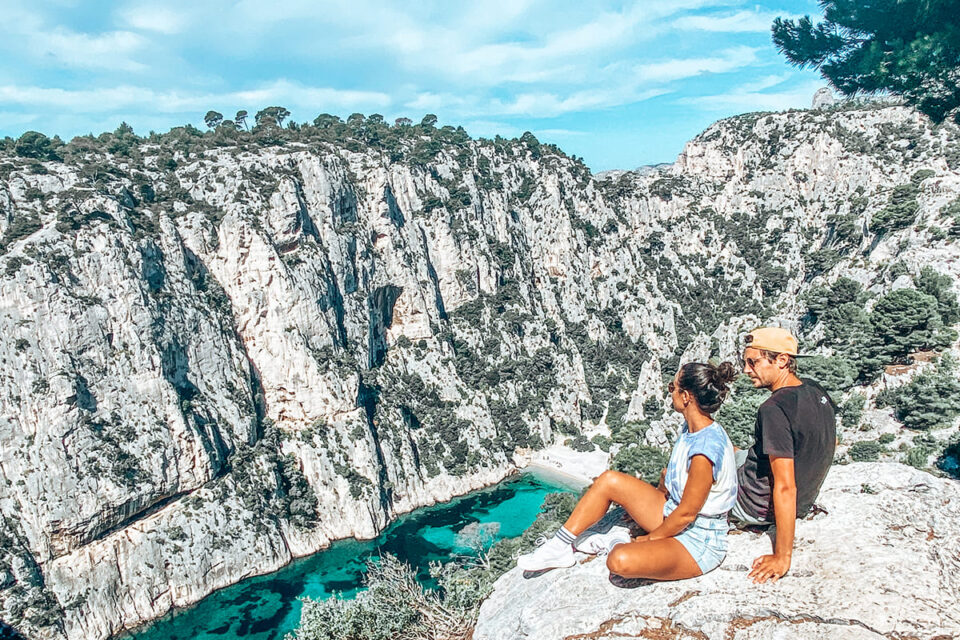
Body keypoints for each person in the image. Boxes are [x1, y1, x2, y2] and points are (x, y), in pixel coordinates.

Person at [517, 362, 739, 580]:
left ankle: (614, 540)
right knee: (609, 480)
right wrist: (644, 503)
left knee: (619, 560)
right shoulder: (692, 429)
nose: (669, 393)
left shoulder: (704, 450)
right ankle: (558, 546)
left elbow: (687, 513)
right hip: (672, 513)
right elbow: (668, 475)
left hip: (699, 539)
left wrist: (651, 538)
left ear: (686, 396)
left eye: (673, 388)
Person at [731, 327, 837, 584]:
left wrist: (782, 556)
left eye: (753, 362)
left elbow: (785, 486)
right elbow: (825, 441)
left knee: (687, 468)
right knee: (729, 449)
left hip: (753, 504)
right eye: (745, 362)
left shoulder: (773, 409)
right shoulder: (815, 390)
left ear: (781, 361)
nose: (746, 370)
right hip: (805, 496)